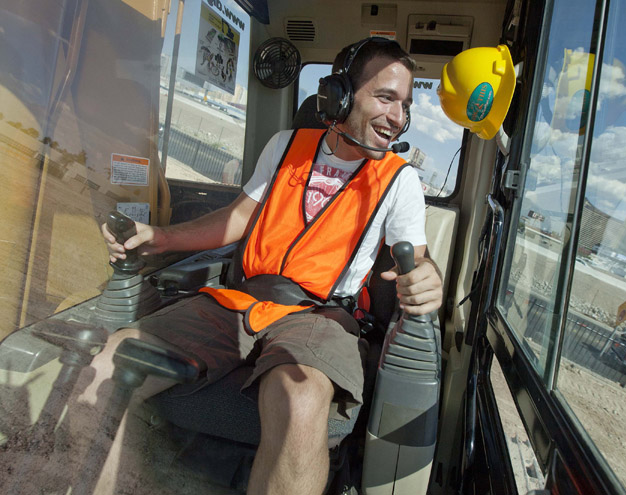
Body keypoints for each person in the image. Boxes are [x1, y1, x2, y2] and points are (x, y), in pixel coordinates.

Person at [85, 37, 442, 495]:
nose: (399, 117)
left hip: (320, 315)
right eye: (386, 97)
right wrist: (163, 238)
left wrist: (427, 277)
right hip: (238, 299)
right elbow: (238, 217)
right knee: (112, 360)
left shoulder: (400, 180)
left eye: (405, 105)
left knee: (300, 397)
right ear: (341, 93)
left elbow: (417, 255)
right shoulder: (285, 145)